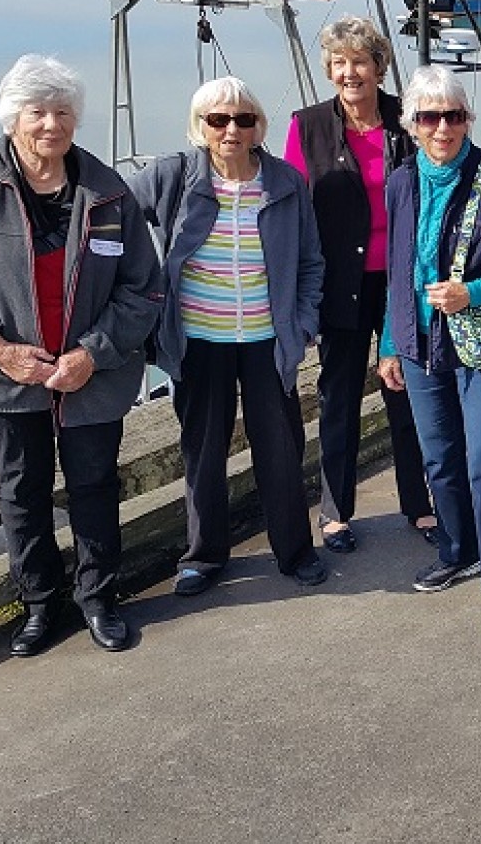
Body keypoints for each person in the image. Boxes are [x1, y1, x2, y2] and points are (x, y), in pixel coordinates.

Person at [0, 55, 163, 656]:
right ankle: (39, 604)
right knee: (20, 489)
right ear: (11, 119)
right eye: (37, 113)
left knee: (95, 485)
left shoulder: (107, 192)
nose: (50, 125)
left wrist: (91, 354)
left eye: (62, 113)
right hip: (6, 378)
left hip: (92, 378)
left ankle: (100, 599)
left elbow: (143, 288)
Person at [134, 76, 328, 597]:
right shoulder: (172, 176)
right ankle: (203, 556)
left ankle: (295, 550)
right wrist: (145, 305)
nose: (231, 130)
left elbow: (311, 262)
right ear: (199, 127)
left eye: (243, 119)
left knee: (282, 450)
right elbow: (114, 220)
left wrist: (304, 322)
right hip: (199, 339)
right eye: (217, 120)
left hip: (269, 340)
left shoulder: (285, 183)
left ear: (258, 126)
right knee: (203, 450)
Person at [376, 65, 481, 641]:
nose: (442, 126)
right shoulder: (400, 182)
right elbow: (399, 268)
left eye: (453, 115)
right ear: (412, 124)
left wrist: (472, 292)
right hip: (419, 343)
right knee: (439, 456)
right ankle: (459, 547)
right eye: (429, 116)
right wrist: (391, 343)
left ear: (468, 120)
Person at [284, 17, 435, 553]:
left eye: (361, 61)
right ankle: (335, 513)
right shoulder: (308, 127)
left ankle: (420, 505)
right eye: (340, 63)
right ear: (330, 69)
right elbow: (295, 209)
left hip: (400, 279)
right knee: (339, 395)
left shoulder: (406, 119)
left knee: (406, 391)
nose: (350, 73)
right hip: (338, 281)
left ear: (379, 66)